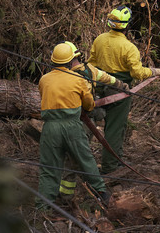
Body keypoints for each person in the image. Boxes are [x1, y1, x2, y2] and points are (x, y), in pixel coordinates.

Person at [88, 6, 160, 174]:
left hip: (99, 87)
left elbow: (91, 64)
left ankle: (113, 159)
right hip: (120, 91)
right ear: (127, 25)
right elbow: (137, 73)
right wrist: (154, 71)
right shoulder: (129, 47)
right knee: (115, 128)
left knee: (90, 125)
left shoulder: (99, 40)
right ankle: (110, 167)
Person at [49, 41, 127, 202]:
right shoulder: (90, 70)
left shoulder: (64, 76)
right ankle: (73, 190)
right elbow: (108, 79)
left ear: (68, 61)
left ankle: (66, 194)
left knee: (72, 157)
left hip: (71, 122)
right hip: (84, 121)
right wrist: (122, 85)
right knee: (75, 156)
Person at [37, 42, 110, 208]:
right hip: (72, 126)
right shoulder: (78, 79)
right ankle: (102, 194)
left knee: (49, 167)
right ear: (71, 62)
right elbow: (89, 104)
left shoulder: (44, 80)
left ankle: (42, 207)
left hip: (50, 128)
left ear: (53, 61)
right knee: (86, 160)